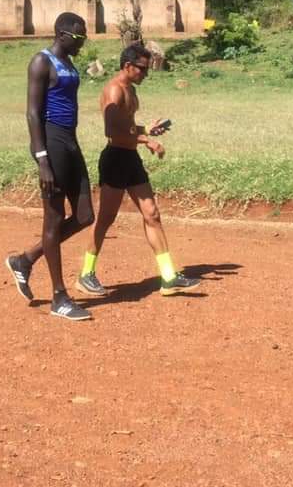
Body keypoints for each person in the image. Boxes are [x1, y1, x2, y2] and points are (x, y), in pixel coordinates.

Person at [77, 42, 200, 297]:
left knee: (152, 214)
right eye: (142, 69)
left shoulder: (130, 90)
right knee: (106, 218)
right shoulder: (114, 91)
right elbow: (112, 133)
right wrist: (148, 142)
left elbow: (127, 127)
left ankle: (168, 277)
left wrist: (146, 130)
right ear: (127, 66)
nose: (146, 73)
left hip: (130, 158)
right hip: (115, 160)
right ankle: (86, 273)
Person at [5, 12, 95, 321]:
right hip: (52, 142)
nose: (83, 42)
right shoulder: (41, 62)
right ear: (62, 34)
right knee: (54, 220)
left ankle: (26, 259)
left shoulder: (69, 62)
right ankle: (59, 296)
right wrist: (41, 159)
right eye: (79, 37)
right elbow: (32, 114)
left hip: (70, 140)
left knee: (85, 215)